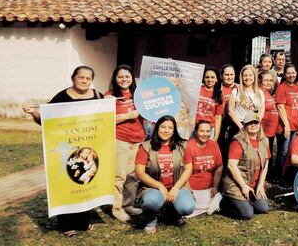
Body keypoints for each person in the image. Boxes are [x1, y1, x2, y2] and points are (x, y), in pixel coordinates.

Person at [22, 65, 104, 236]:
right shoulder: (61, 97)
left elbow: (106, 117)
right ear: (73, 78)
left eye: (88, 78)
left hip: (90, 146)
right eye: (81, 77)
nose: (84, 81)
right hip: (68, 149)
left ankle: (83, 222)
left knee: (86, 184)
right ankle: (66, 224)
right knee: (67, 184)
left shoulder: (98, 97)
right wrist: (34, 113)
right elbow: (47, 121)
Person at [134, 115, 194, 234]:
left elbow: (188, 168)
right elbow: (139, 172)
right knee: (151, 202)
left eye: (170, 128)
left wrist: (176, 188)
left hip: (177, 187)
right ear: (157, 128)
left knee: (187, 207)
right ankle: (151, 219)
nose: (166, 130)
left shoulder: (182, 145)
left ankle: (174, 213)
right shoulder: (146, 146)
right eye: (163, 127)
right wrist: (160, 186)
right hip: (153, 188)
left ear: (174, 130)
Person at [105, 65, 145, 223]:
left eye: (127, 76)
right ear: (115, 79)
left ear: (132, 78)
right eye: (120, 77)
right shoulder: (109, 97)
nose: (124, 80)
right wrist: (127, 115)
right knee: (119, 176)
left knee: (133, 175)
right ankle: (116, 208)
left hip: (138, 140)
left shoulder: (139, 95)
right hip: (120, 139)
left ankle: (127, 205)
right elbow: (106, 119)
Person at [219, 113, 270, 218]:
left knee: (263, 209)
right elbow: (231, 166)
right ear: (245, 125)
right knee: (247, 214)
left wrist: (260, 185)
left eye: (255, 123)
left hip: (253, 185)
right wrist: (243, 187)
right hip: (237, 185)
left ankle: (244, 202)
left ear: (259, 125)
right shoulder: (238, 142)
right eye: (249, 123)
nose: (253, 125)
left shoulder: (264, 141)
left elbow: (265, 165)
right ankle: (223, 203)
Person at [184, 121, 223, 218]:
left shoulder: (214, 144)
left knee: (219, 200)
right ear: (196, 132)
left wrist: (215, 186)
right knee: (187, 207)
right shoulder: (189, 146)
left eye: (208, 131)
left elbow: (219, 167)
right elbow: (183, 171)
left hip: (209, 188)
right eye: (202, 131)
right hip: (193, 188)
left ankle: (209, 205)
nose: (205, 134)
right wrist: (189, 190)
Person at [275, 64, 298, 179]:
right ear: (284, 74)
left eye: (293, 73)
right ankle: (278, 177)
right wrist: (286, 126)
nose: (291, 75)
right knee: (283, 152)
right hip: (285, 126)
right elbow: (280, 107)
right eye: (288, 73)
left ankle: (286, 175)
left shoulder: (297, 88)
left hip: (294, 126)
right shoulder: (282, 87)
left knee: (290, 152)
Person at [227, 64, 264, 137]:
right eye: (245, 75)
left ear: (254, 76)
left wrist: (255, 125)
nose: (248, 78)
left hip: (254, 126)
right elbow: (230, 111)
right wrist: (241, 127)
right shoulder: (235, 91)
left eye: (250, 75)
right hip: (238, 126)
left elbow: (261, 111)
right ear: (241, 77)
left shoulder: (260, 93)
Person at [259, 71, 280, 175]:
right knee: (262, 156)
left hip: (270, 132)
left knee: (268, 155)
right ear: (260, 82)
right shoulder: (259, 93)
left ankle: (266, 177)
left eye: (270, 80)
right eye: (266, 80)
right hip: (263, 132)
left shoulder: (268, 93)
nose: (269, 82)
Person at [195, 67, 223, 138]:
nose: (209, 80)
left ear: (216, 79)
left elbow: (218, 117)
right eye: (207, 77)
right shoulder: (197, 89)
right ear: (203, 79)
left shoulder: (219, 95)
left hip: (209, 130)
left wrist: (216, 137)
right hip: (193, 127)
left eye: (212, 77)